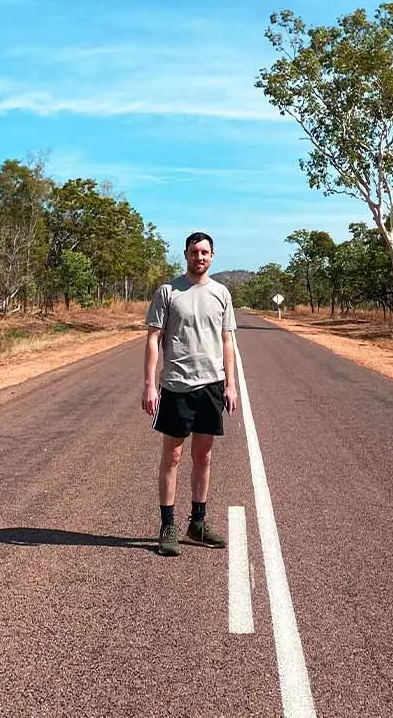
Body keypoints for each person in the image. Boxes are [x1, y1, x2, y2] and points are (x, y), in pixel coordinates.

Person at [142, 231, 238, 557]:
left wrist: (230, 384)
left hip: (212, 385)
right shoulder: (168, 292)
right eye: (195, 252)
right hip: (176, 385)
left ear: (212, 257)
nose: (200, 257)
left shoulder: (221, 293)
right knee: (173, 456)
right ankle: (167, 525)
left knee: (204, 457)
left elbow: (227, 342)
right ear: (185, 254)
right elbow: (154, 339)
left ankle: (198, 523)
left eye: (206, 252)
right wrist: (149, 385)